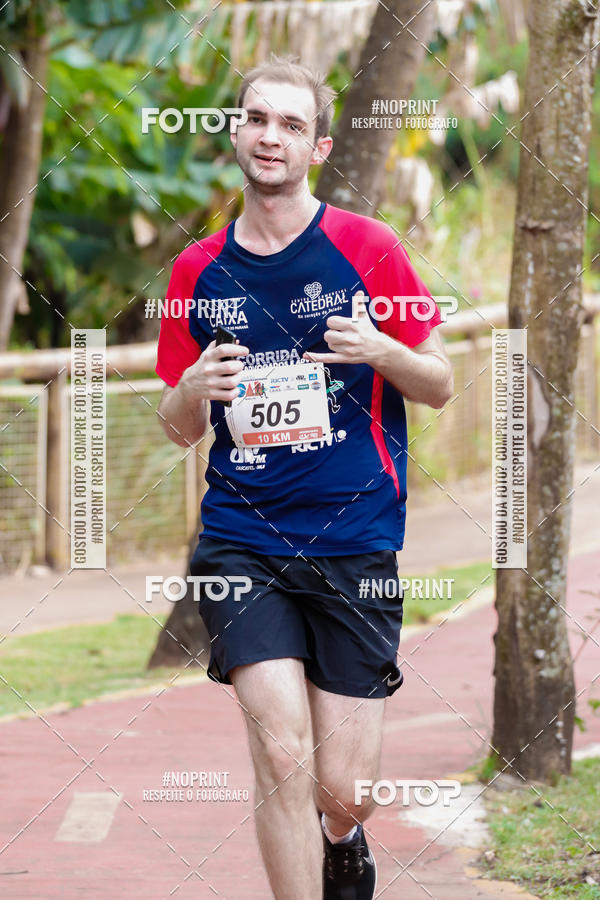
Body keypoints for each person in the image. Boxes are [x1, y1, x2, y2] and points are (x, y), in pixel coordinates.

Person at [155, 54, 453, 900]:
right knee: (281, 753)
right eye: (257, 118)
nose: (270, 136)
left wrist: (381, 350)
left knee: (343, 789)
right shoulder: (197, 274)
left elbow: (438, 384)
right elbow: (178, 428)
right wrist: (191, 389)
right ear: (236, 131)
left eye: (291, 124)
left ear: (318, 146)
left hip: (355, 534)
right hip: (243, 538)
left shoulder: (369, 248)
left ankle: (345, 843)